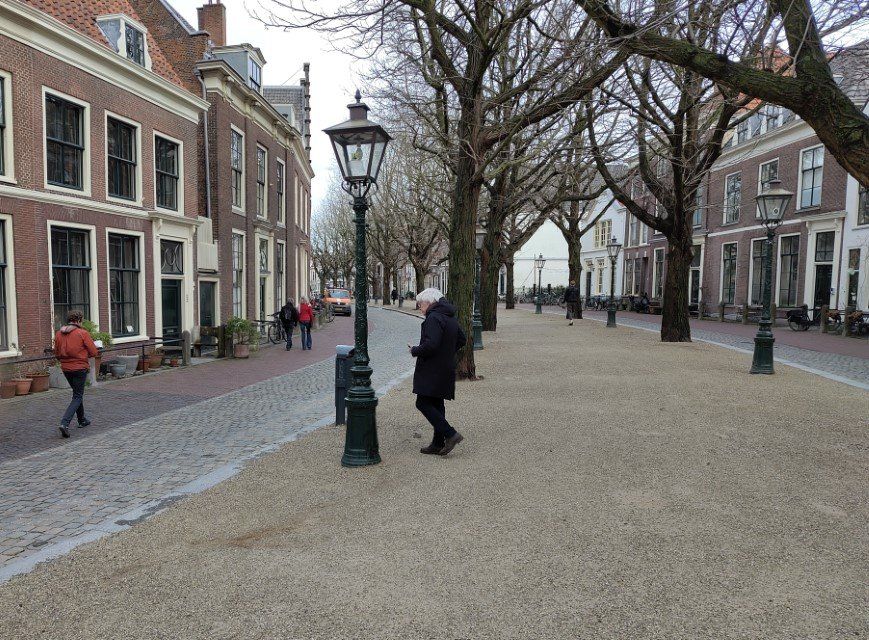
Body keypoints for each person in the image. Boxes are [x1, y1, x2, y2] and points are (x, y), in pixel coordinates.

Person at [408, 288, 466, 456]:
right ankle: (437, 443)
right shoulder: (449, 316)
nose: (419, 307)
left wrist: (415, 350)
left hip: (432, 368)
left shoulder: (433, 318)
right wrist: (446, 352)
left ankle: (451, 434)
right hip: (445, 366)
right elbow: (461, 339)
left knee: (423, 403)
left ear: (430, 302)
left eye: (421, 304)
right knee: (437, 403)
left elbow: (431, 345)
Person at [53, 310, 98, 439]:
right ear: (79, 320)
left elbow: (56, 353)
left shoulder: (58, 334)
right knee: (77, 396)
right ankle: (64, 423)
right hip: (79, 368)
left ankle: (82, 420)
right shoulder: (82, 333)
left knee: (77, 394)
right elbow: (94, 352)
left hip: (66, 369)